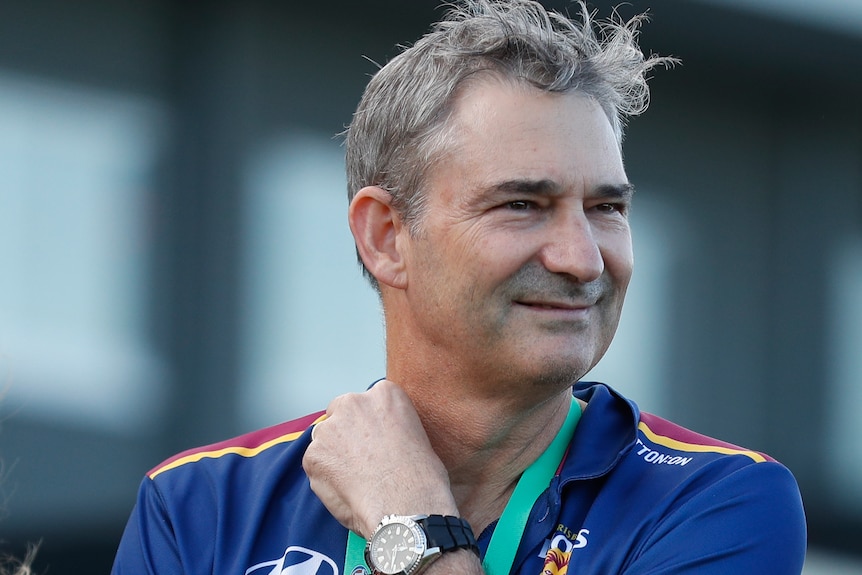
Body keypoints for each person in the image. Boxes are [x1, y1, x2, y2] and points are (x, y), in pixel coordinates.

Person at [112, 1, 807, 574]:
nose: (583, 259)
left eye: (607, 208)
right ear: (386, 236)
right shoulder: (199, 507)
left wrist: (410, 524)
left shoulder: (716, 502)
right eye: (522, 205)